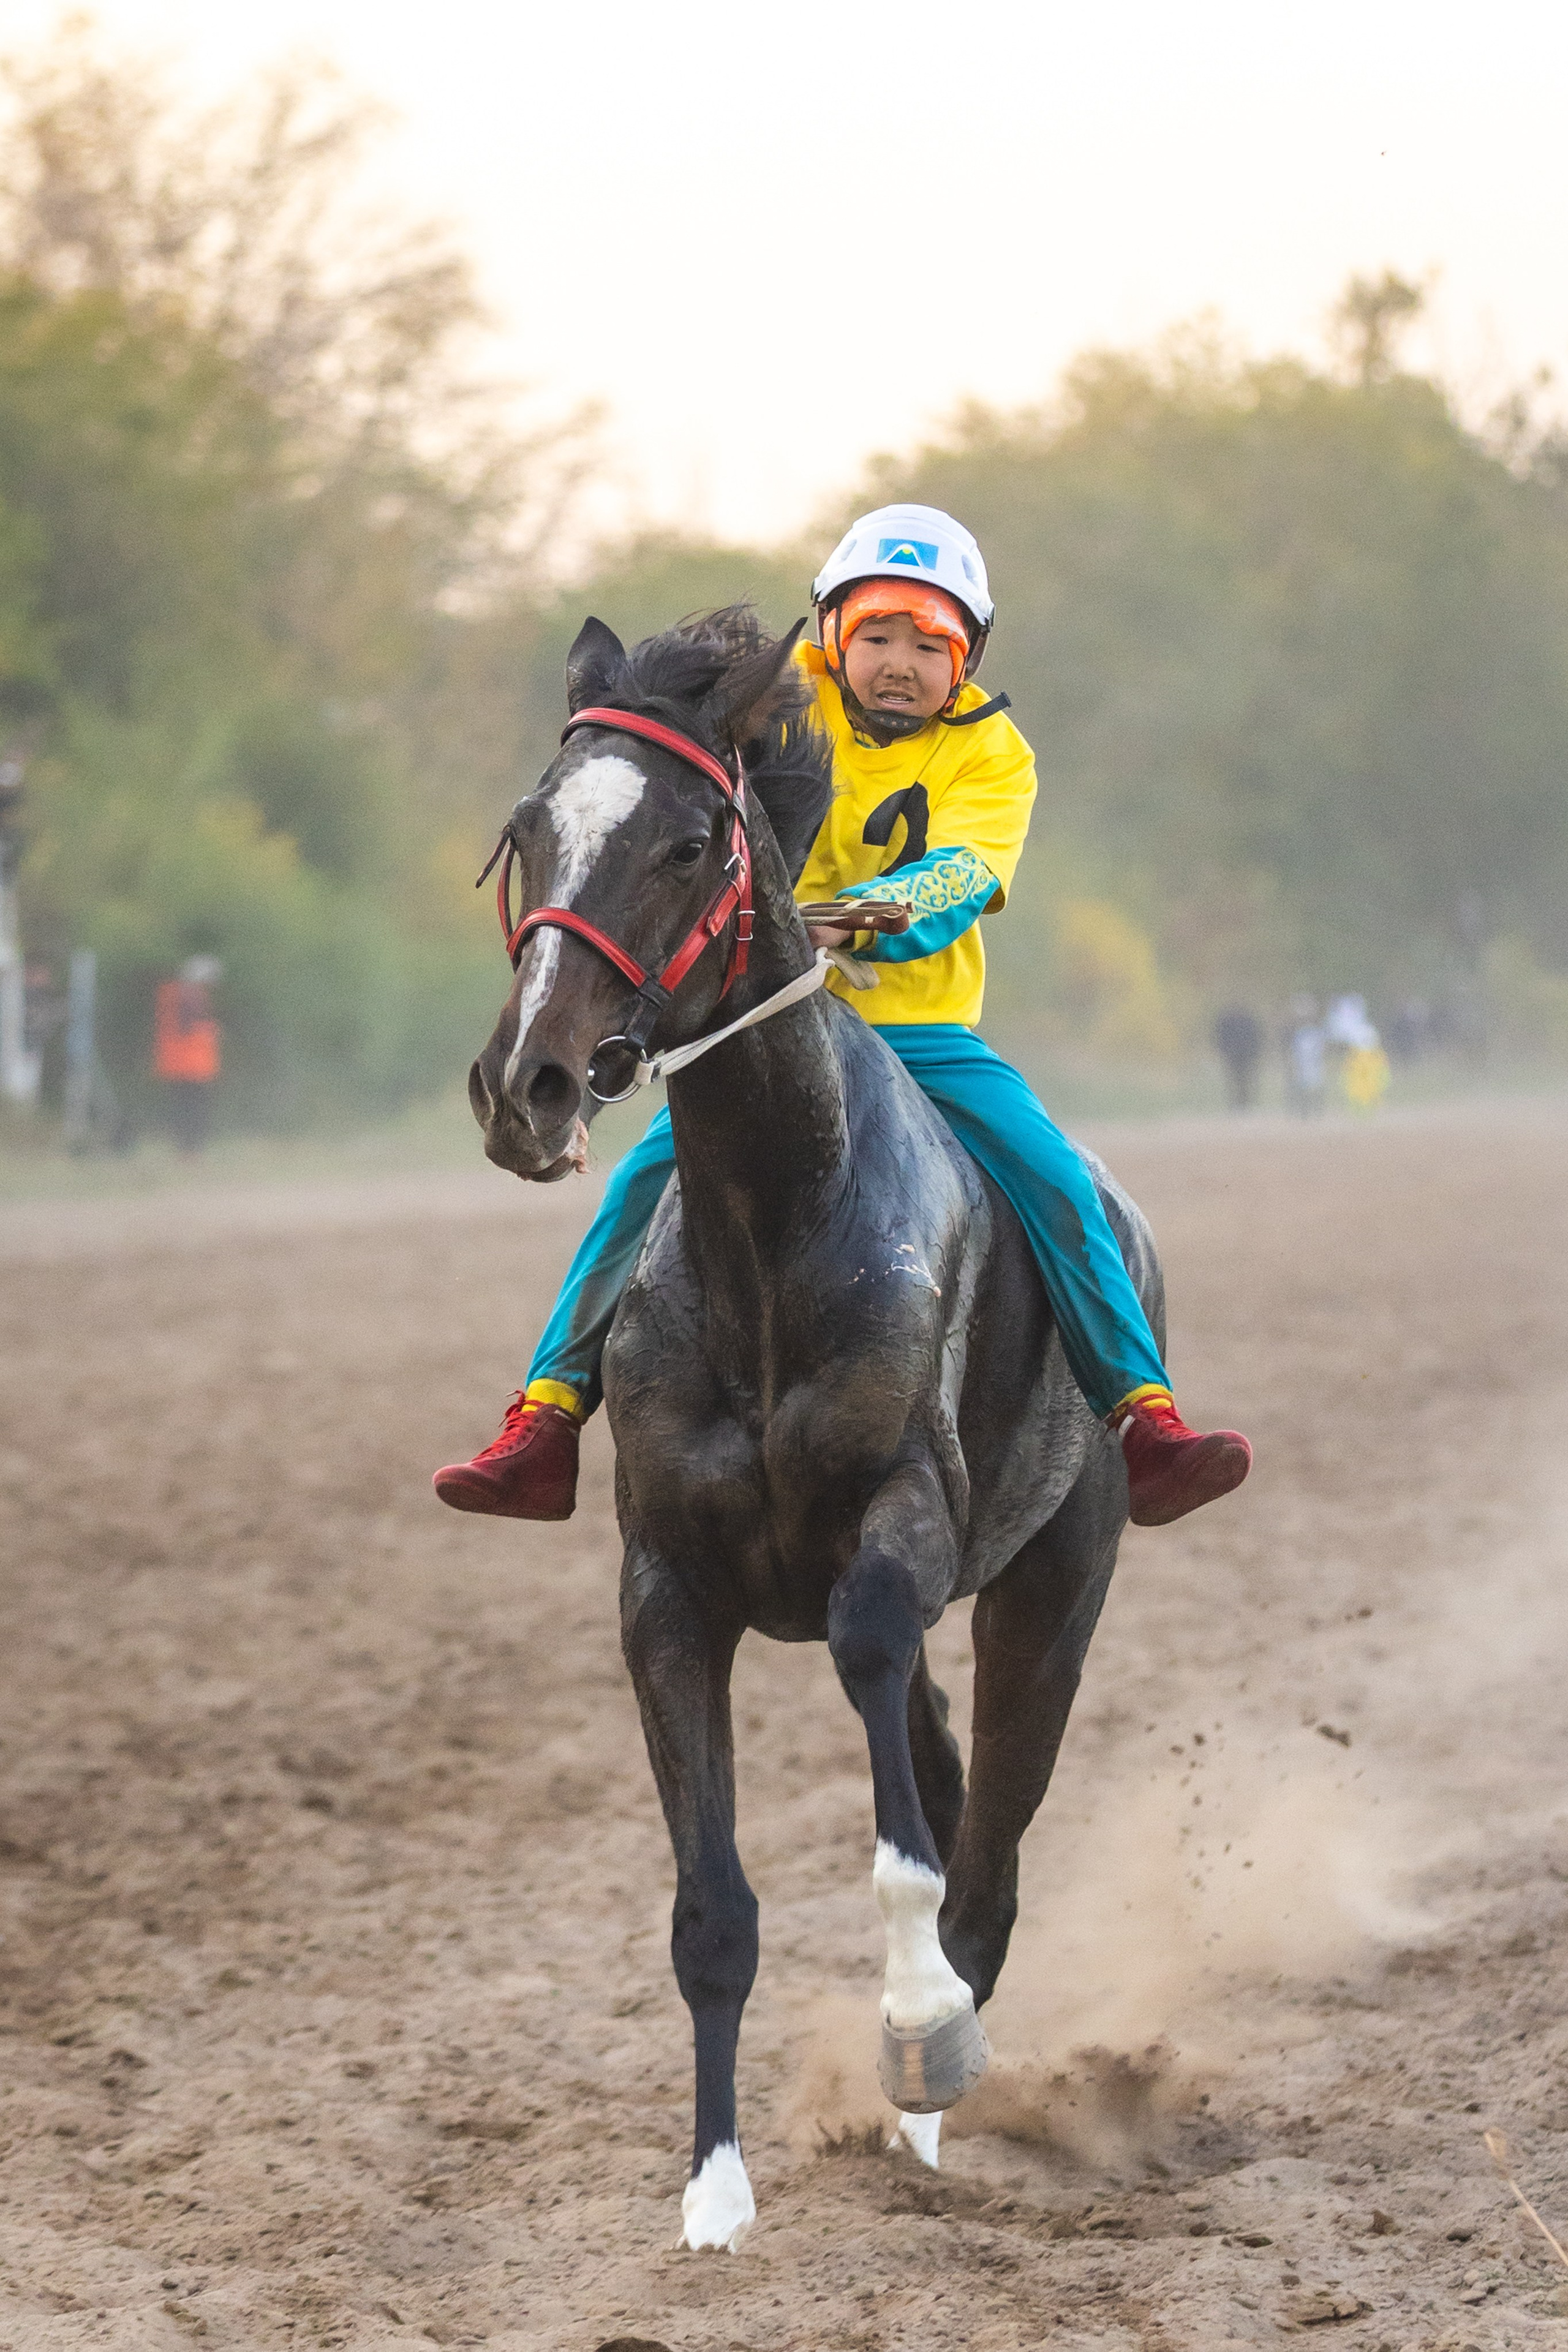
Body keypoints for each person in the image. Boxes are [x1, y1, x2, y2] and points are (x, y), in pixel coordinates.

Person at [434, 505, 1252, 1529]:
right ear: (830, 632)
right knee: (640, 1187)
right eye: (877, 634)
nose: (900, 663)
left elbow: (963, 873)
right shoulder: (774, 710)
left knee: (1056, 1179)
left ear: (967, 658)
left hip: (925, 1038)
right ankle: (545, 1420)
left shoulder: (996, 755)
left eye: (931, 644)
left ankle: (1144, 1421)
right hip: (760, 1037)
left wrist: (850, 916)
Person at [153, 956, 221, 1154]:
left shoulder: (171, 994)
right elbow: (188, 1027)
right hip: (193, 1065)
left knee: (181, 1107)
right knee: (195, 1109)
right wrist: (209, 1030)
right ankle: (191, 1150)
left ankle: (184, 1149)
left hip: (175, 1063)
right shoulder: (189, 996)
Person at [1212, 1003, 1265, 1110]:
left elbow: (1256, 1037)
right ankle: (1236, 1103)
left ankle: (1245, 1102)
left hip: (1245, 1054)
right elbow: (1220, 1037)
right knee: (1234, 1079)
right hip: (1233, 1054)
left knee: (1245, 1079)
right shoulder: (1230, 1021)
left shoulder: (1246, 1021)